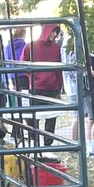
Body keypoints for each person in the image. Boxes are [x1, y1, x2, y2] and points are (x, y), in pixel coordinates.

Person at [22, 22, 65, 151]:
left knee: (51, 117)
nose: (55, 34)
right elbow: (23, 64)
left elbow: (60, 66)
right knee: (33, 117)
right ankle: (34, 143)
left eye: (57, 32)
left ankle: (48, 145)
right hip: (37, 87)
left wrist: (59, 83)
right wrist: (33, 77)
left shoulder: (56, 48)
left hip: (52, 87)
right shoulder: (31, 46)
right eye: (53, 31)